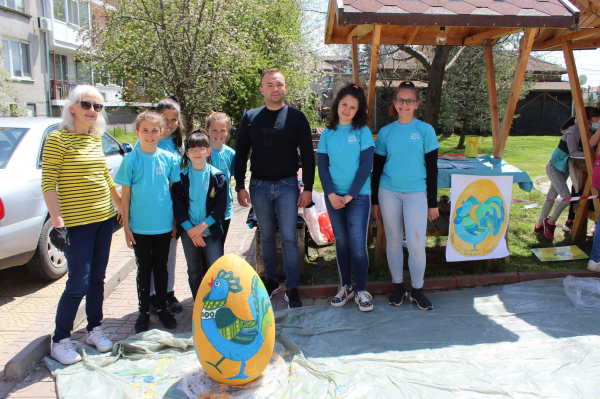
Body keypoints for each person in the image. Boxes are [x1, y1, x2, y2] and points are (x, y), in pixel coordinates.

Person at [42, 85, 121, 365]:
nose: (92, 111)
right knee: (78, 282)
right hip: (77, 225)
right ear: (72, 107)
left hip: (103, 220)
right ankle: (60, 340)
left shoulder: (94, 138)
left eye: (97, 106)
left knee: (97, 279)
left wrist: (120, 204)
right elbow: (48, 184)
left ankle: (93, 329)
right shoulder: (57, 139)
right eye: (86, 105)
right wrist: (58, 224)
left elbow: (104, 176)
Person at [234, 68, 315, 309]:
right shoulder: (250, 117)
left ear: (285, 87)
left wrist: (308, 187)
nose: (274, 88)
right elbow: (240, 154)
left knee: (290, 238)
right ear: (262, 90)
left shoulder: (297, 117)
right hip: (258, 185)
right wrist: (239, 185)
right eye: (269, 85)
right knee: (266, 236)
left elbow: (309, 156)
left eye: (278, 84)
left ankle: (292, 285)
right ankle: (271, 281)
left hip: (288, 185)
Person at [371, 81, 439, 311]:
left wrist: (432, 202)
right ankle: (398, 286)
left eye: (409, 100)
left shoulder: (425, 131)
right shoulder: (386, 132)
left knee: (416, 243)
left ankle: (417, 289)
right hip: (388, 193)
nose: (404, 104)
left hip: (416, 195)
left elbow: (432, 169)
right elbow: (377, 168)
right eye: (400, 100)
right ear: (394, 103)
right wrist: (374, 200)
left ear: (416, 104)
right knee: (393, 241)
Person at [115, 111, 180, 333]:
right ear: (137, 132)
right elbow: (126, 197)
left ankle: (162, 309)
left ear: (161, 133)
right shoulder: (130, 160)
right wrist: (126, 228)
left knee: (161, 269)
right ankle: (144, 312)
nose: (150, 135)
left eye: (154, 130)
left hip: (163, 226)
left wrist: (174, 222)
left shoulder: (170, 159)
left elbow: (173, 194)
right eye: (145, 130)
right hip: (140, 228)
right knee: (144, 270)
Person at [317, 83, 375, 312]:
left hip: (358, 197)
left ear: (358, 110)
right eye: (344, 105)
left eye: (353, 107)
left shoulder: (362, 132)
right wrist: (331, 194)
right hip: (334, 198)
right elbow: (322, 167)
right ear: (337, 104)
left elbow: (366, 166)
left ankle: (361, 290)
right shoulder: (328, 134)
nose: (347, 110)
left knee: (358, 245)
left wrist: (350, 195)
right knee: (341, 243)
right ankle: (346, 286)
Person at [134, 98, 186, 315]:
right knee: (148, 259)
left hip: (172, 210)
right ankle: (152, 295)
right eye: (166, 119)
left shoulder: (178, 145)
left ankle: (168, 292)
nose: (171, 123)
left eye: (174, 119)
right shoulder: (145, 144)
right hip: (148, 215)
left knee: (169, 255)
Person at [173, 132, 227, 299]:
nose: (197, 153)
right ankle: (199, 305)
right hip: (189, 234)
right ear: (186, 153)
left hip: (210, 232)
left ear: (208, 151)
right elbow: (178, 207)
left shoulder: (218, 177)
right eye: (192, 149)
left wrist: (202, 226)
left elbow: (220, 207)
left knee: (217, 270)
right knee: (194, 271)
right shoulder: (181, 178)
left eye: (201, 149)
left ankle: (219, 304)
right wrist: (191, 230)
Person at [534, 106, 600, 240]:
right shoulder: (572, 131)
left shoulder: (589, 131)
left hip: (563, 169)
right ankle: (550, 223)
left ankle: (539, 225)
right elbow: (574, 153)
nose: (599, 120)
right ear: (587, 120)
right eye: (597, 118)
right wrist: (593, 155)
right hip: (554, 167)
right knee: (566, 197)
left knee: (551, 197)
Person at [205, 112, 235, 251]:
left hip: (224, 210)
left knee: (218, 249)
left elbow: (229, 179)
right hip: (203, 210)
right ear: (207, 131)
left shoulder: (230, 154)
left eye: (222, 130)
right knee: (203, 252)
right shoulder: (200, 152)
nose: (218, 134)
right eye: (214, 130)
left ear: (227, 131)